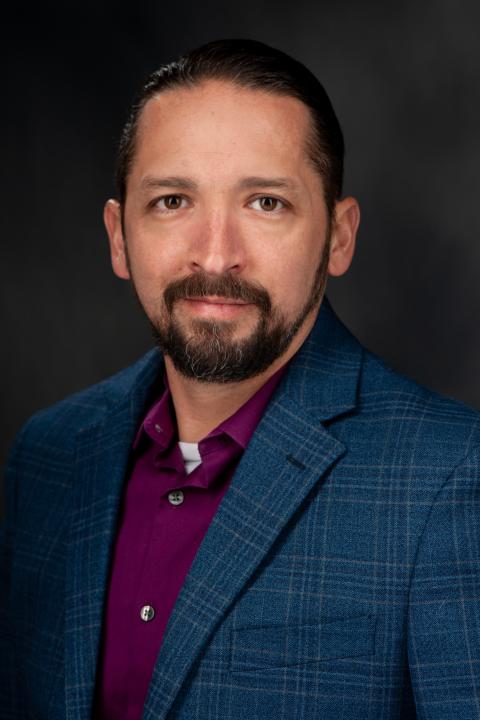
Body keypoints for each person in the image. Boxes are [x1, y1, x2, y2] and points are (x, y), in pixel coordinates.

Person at [1, 38, 479, 720]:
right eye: (172, 201)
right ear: (118, 236)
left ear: (339, 237)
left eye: (265, 203)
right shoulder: (48, 459)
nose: (216, 254)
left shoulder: (451, 477)